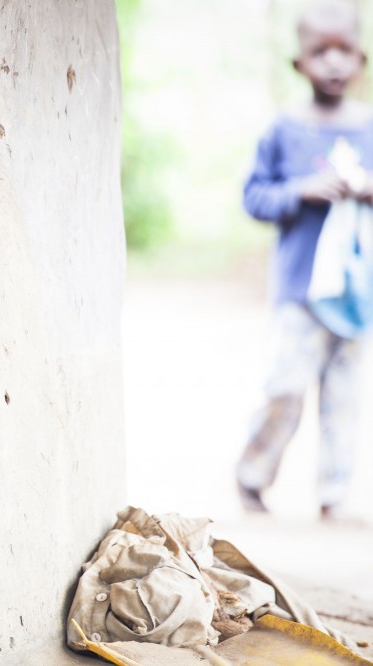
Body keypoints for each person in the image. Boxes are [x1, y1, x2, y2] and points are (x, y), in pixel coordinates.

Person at [236, 0, 373, 522]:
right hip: (300, 293)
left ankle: (333, 497)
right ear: (300, 64)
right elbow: (254, 198)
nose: (334, 62)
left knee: (344, 399)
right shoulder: (284, 130)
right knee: (285, 390)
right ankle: (251, 479)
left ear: (362, 59)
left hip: (358, 295)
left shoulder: (369, 127)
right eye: (321, 52)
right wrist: (301, 191)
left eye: (345, 51)